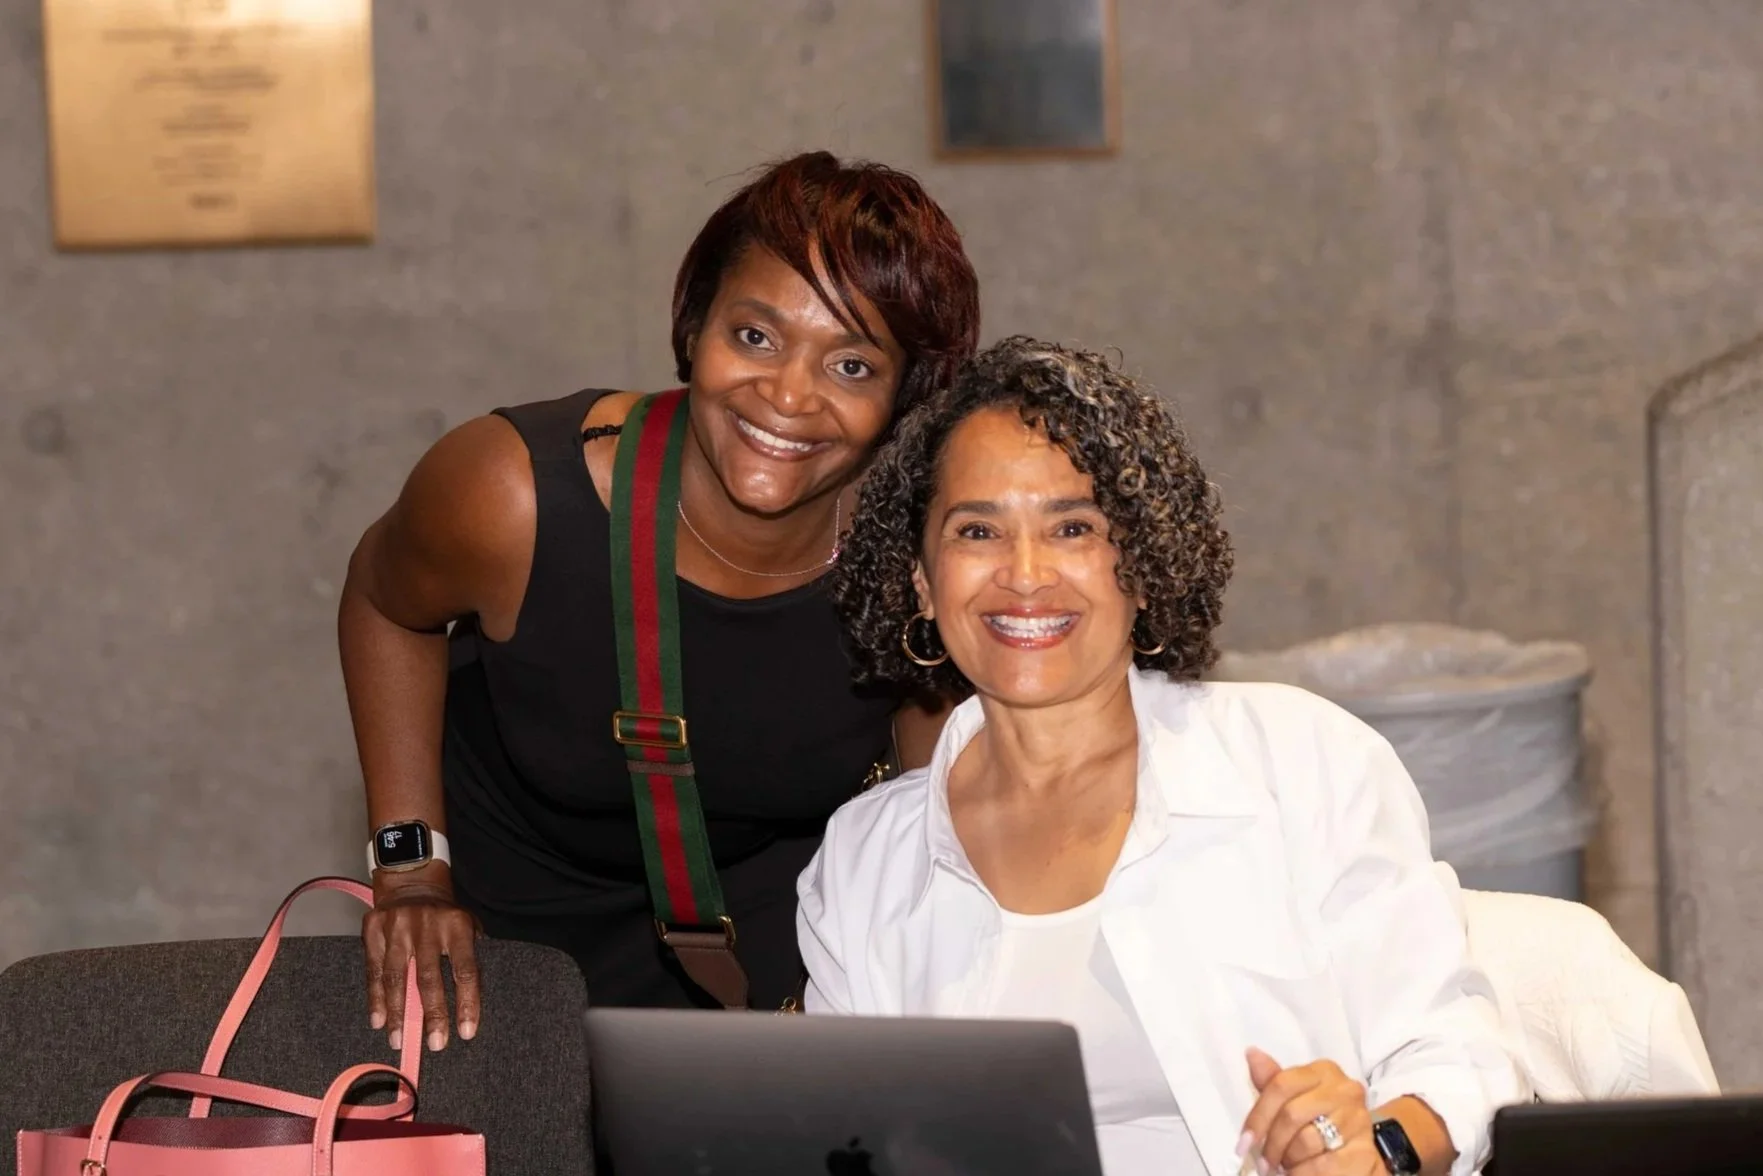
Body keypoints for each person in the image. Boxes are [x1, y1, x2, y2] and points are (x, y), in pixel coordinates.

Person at [799, 337, 1526, 1176]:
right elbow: (845, 1146)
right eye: (977, 531)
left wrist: (1378, 1148)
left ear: (1139, 567)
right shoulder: (862, 863)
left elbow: (1458, 1055)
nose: (1025, 575)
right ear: (922, 583)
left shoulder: (1302, 763)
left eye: (1072, 527)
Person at [339, 151, 980, 1048]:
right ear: (695, 326)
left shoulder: (921, 555)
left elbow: (931, 823)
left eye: (850, 365)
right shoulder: (512, 494)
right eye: (754, 337)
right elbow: (383, 602)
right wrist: (410, 873)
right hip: (503, 936)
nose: (788, 396)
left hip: (777, 944)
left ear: (904, 392)